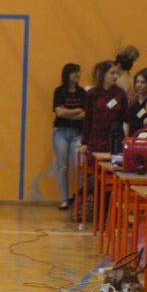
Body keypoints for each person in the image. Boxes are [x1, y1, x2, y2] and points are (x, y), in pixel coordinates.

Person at [51, 63, 85, 209]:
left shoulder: (82, 92)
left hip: (77, 133)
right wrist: (77, 110)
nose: (78, 75)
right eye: (74, 72)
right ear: (67, 74)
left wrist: (68, 113)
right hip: (60, 132)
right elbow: (59, 113)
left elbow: (85, 113)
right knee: (62, 167)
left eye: (79, 72)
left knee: (79, 166)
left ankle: (79, 199)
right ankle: (64, 200)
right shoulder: (59, 91)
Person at [81, 60, 130, 155]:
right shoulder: (91, 94)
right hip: (96, 139)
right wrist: (84, 142)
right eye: (112, 73)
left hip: (115, 138)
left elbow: (126, 117)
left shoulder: (120, 94)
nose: (116, 76)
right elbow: (88, 119)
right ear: (103, 74)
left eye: (117, 73)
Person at [128, 68, 147, 134]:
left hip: (146, 135)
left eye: (143, 82)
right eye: (137, 82)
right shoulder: (133, 100)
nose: (139, 85)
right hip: (131, 135)